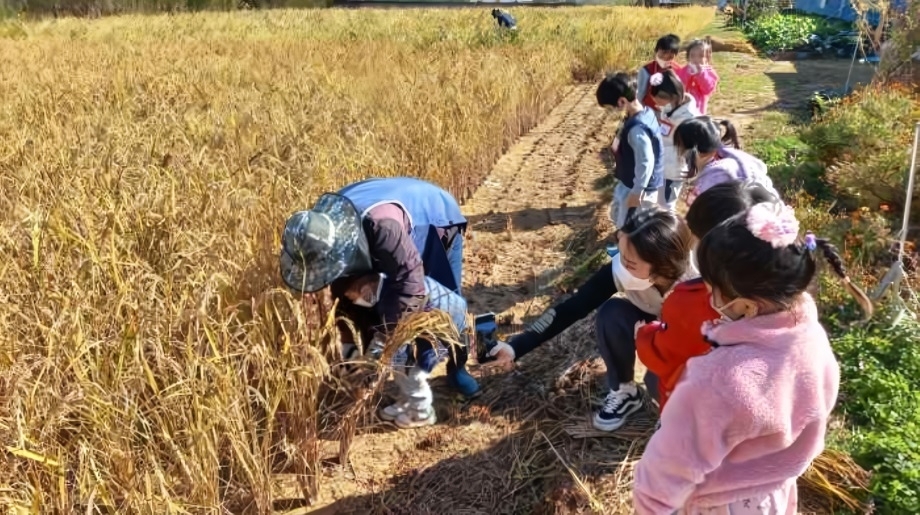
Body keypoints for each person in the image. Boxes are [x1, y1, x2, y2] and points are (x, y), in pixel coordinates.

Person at [633, 201, 873, 514]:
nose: (707, 297)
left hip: (717, 504)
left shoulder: (717, 379)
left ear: (747, 306)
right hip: (773, 496)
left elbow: (667, 469)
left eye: (710, 289)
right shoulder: (813, 338)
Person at [486, 206, 694, 431]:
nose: (622, 267)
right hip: (653, 322)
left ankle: (677, 415)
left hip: (686, 339)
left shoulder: (696, 289)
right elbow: (571, 309)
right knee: (612, 313)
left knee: (657, 379)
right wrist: (516, 347)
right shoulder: (621, 271)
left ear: (662, 268)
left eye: (630, 263)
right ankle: (624, 391)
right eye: (621, 255)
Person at [279, 177, 480, 407]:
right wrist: (353, 354)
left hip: (435, 218)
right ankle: (397, 369)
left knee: (442, 303)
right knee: (365, 299)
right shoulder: (318, 235)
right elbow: (343, 304)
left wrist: (382, 347)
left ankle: (457, 369)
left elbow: (412, 289)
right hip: (386, 220)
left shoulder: (383, 227)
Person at [634, 180, 778, 415]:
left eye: (696, 241)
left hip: (697, 420)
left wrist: (645, 334)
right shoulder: (789, 302)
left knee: (653, 378)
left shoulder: (689, 302)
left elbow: (663, 356)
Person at [340, 272, 469, 428]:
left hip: (446, 324)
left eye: (354, 297)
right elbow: (386, 334)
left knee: (408, 369)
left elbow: (391, 342)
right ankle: (407, 400)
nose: (354, 301)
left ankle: (422, 411)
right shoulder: (388, 285)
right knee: (399, 363)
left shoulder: (393, 304)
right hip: (426, 318)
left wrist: (371, 375)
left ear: (367, 290)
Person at [597, 72, 664, 228]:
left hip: (641, 189)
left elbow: (646, 162)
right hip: (631, 182)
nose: (608, 113)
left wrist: (637, 192)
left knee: (631, 229)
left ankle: (626, 250)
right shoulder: (645, 113)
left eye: (609, 108)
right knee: (619, 215)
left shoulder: (637, 130)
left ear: (621, 101)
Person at [673, 116, 778, 206]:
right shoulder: (727, 159)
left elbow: (711, 217)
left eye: (680, 147)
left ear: (694, 151)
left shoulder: (715, 177)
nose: (678, 151)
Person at [647, 69, 702, 212]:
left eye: (661, 102)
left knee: (665, 207)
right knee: (657, 203)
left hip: (674, 170)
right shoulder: (670, 107)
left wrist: (692, 167)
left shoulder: (689, 118)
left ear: (673, 97)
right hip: (662, 166)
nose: (659, 106)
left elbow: (695, 148)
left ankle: (666, 232)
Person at [637, 34, 683, 111]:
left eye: (670, 56)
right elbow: (640, 95)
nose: (665, 57)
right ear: (656, 51)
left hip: (672, 113)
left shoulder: (678, 70)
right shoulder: (646, 70)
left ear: (676, 55)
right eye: (663, 53)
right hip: (651, 110)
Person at [676, 39, 720, 115]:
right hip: (682, 109)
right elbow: (678, 85)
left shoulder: (709, 72)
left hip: (699, 110)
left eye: (701, 56)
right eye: (692, 55)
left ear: (707, 59)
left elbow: (708, 89)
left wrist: (701, 74)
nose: (696, 59)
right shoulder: (683, 71)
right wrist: (688, 74)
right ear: (688, 57)